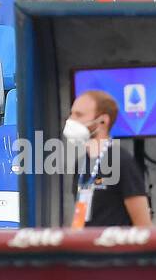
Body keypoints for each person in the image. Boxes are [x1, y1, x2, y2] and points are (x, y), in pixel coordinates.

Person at [64, 89, 150, 228]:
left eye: (79, 115)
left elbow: (144, 226)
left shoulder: (122, 161)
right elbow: (80, 218)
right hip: (88, 247)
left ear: (103, 121)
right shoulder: (81, 163)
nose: (71, 120)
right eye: (71, 114)